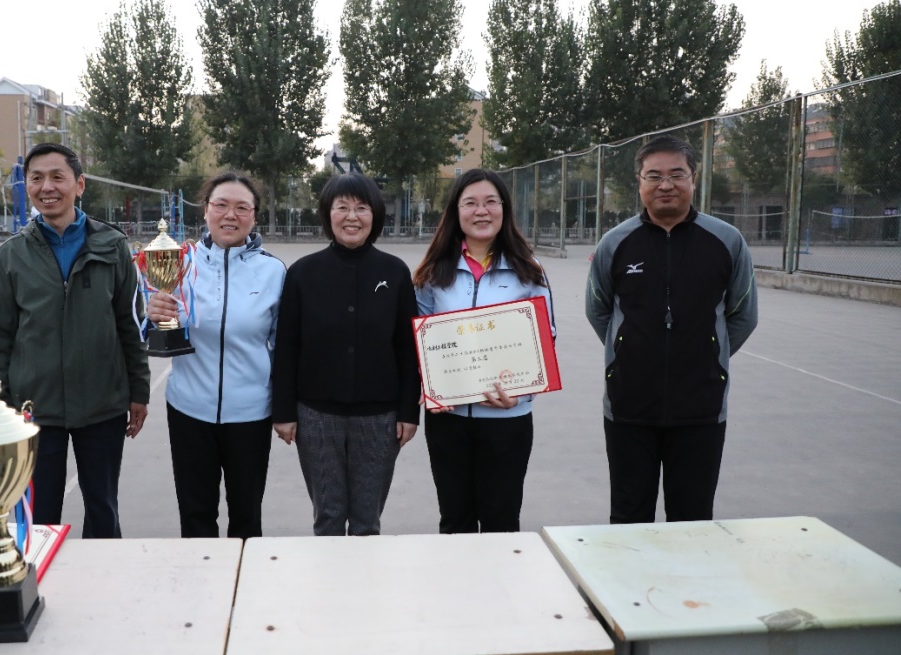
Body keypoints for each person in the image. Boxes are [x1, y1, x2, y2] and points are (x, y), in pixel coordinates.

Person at [585, 134, 758, 524]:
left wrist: (708, 351)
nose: (666, 185)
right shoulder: (615, 243)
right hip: (628, 407)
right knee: (629, 517)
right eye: (654, 176)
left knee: (692, 519)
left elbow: (743, 315)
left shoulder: (726, 241)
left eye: (677, 174)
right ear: (640, 182)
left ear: (694, 179)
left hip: (701, 407)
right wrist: (627, 351)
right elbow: (598, 310)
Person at [0, 142, 150, 538]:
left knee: (103, 510)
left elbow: (131, 325)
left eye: (58, 177)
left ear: (79, 184)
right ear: (27, 186)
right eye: (36, 178)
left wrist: (138, 391)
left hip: (102, 404)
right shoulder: (9, 257)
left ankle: (102, 574)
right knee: (37, 518)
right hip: (33, 408)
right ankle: (39, 573)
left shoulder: (112, 247)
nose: (47, 187)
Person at [272, 172, 419, 536]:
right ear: (328, 213)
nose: (352, 217)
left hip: (380, 417)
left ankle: (365, 574)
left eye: (361, 208)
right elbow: (287, 346)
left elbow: (407, 347)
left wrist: (408, 411)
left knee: (367, 520)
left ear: (375, 215)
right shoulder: (303, 273)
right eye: (342, 207)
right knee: (328, 516)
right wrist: (284, 412)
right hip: (316, 416)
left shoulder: (395, 272)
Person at [413, 169, 556, 534]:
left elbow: (546, 337)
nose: (482, 211)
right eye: (471, 203)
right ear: (455, 211)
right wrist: (430, 387)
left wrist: (521, 392)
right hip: (448, 420)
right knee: (454, 520)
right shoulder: (434, 270)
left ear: (504, 209)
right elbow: (419, 338)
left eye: (491, 201)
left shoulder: (528, 268)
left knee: (501, 521)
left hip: (508, 420)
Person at [147, 172, 285, 539]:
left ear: (254, 216)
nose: (230, 215)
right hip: (189, 411)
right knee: (196, 517)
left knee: (246, 518)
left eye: (242, 208)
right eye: (221, 205)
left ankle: (245, 574)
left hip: (251, 414)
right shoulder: (179, 264)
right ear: (205, 210)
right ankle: (201, 576)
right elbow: (150, 331)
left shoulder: (273, 272)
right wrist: (152, 315)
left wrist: (285, 409)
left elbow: (284, 348)